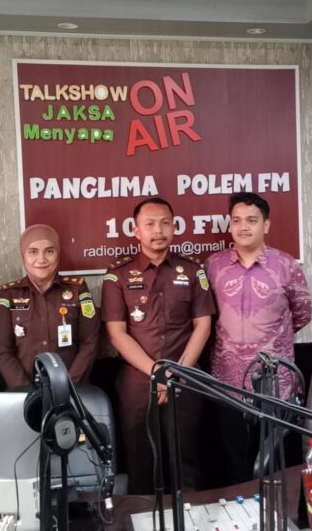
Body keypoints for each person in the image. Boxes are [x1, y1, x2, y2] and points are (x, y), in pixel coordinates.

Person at [101, 197, 215, 494]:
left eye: (165, 222)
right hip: (138, 382)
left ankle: (190, 518)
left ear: (174, 227)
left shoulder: (192, 271)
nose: (158, 229)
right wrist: (157, 373)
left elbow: (203, 325)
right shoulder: (117, 275)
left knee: (187, 457)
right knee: (140, 461)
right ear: (136, 231)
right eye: (149, 224)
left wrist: (176, 372)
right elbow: (116, 333)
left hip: (186, 377)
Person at [205, 192, 312, 483]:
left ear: (265, 225)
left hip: (274, 381)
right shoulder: (213, 266)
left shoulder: (286, 266)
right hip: (227, 381)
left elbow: (302, 313)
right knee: (233, 460)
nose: (243, 227)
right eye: (236, 220)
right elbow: (206, 316)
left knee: (275, 464)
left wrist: (271, 340)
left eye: (251, 220)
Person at [0, 224, 99, 388]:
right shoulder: (9, 294)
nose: (41, 259)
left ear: (58, 254)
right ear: (23, 256)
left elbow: (89, 343)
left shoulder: (78, 289)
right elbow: (2, 350)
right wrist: (25, 390)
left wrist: (68, 387)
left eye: (49, 251)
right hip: (24, 392)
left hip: (74, 390)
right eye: (33, 252)